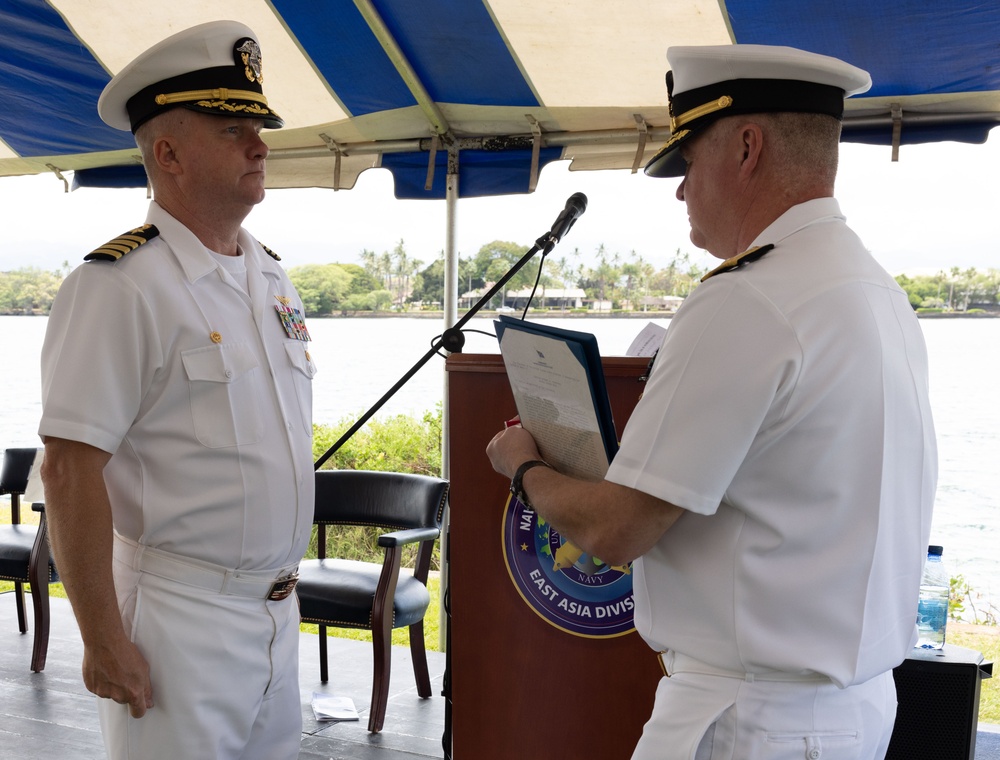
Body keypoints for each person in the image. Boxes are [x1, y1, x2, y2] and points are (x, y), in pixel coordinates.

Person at [488, 44, 937, 760]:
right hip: (850, 709)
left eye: (688, 161)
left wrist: (524, 468)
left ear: (747, 148)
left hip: (750, 717)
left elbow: (619, 530)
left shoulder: (749, 299)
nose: (680, 190)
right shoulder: (875, 291)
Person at [38, 21, 316, 760]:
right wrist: (102, 639)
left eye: (259, 126)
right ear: (168, 154)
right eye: (234, 130)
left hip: (277, 617)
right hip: (179, 620)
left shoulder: (272, 277)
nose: (259, 144)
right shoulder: (119, 288)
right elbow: (69, 470)